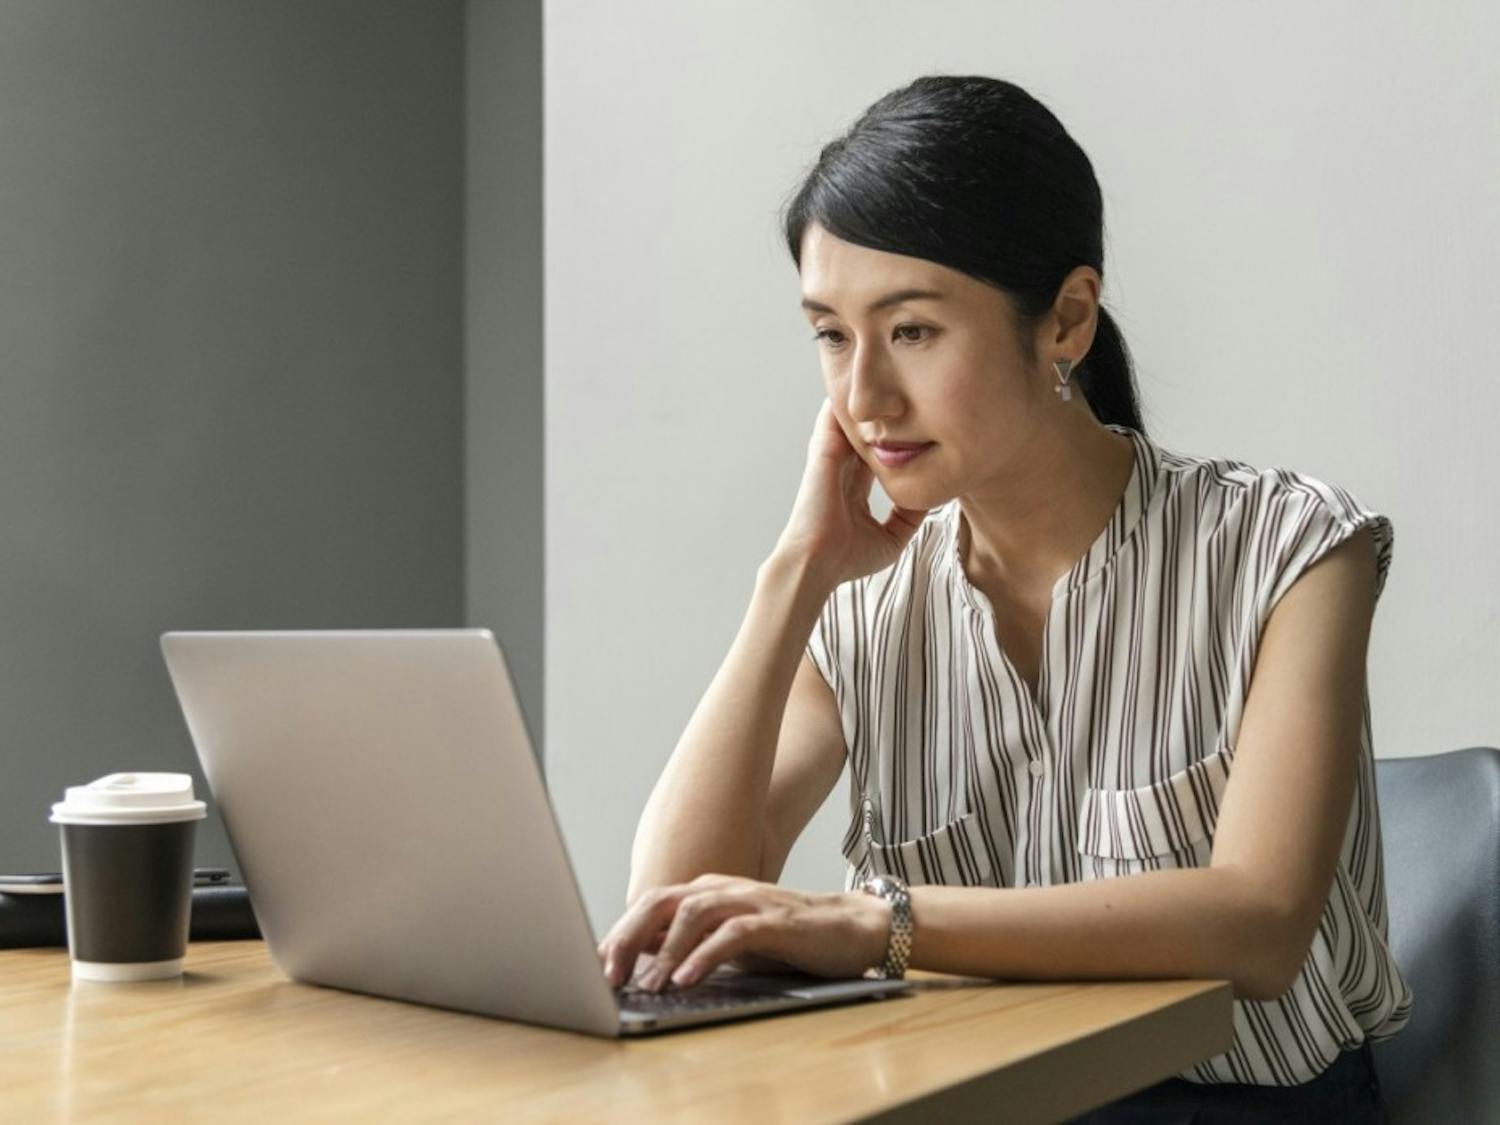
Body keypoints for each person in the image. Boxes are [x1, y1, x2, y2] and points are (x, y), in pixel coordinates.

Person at [595, 74, 1410, 1122]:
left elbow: (1259, 925)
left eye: (913, 332)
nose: (862, 399)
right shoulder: (860, 605)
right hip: (957, 1098)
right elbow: (672, 913)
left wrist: (875, 923)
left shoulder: (1289, 547)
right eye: (832, 335)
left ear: (1065, 320)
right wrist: (792, 577)